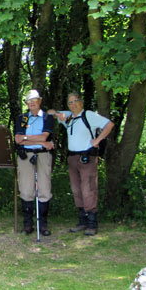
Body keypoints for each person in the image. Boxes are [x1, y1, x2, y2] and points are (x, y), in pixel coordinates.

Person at [48, 93, 114, 236]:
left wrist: (98, 140)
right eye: (70, 102)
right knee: (76, 189)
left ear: (81, 102)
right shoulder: (69, 117)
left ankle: (92, 223)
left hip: (87, 157)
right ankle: (82, 221)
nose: (73, 104)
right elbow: (49, 112)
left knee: (88, 188)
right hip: (72, 157)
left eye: (76, 101)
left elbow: (109, 125)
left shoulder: (89, 115)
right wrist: (58, 115)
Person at [14, 90, 55, 236]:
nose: (31, 103)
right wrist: (35, 140)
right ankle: (28, 224)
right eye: (28, 101)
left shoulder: (47, 117)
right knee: (26, 189)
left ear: (40, 101)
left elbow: (45, 137)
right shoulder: (22, 118)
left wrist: (27, 138)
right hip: (26, 156)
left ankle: (43, 224)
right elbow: (18, 139)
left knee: (44, 189)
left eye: (34, 100)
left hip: (43, 155)